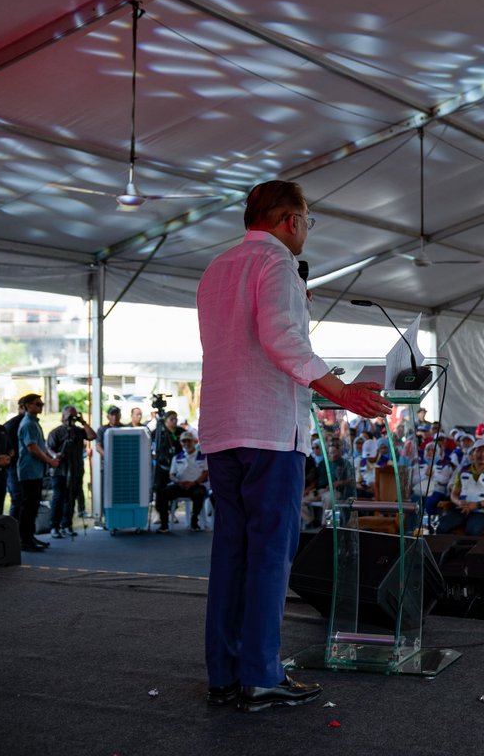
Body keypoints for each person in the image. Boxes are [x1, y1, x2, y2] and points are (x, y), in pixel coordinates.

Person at [197, 179, 393, 712]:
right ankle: (260, 674)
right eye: (307, 221)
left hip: (222, 426)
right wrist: (342, 391)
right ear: (289, 221)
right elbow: (282, 340)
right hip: (268, 432)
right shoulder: (277, 263)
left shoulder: (216, 269)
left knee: (230, 554)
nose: (307, 231)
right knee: (268, 557)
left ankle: (225, 673)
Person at [46, 405, 97, 538]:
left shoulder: (79, 431)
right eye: (69, 416)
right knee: (58, 498)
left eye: (73, 416)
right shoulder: (56, 432)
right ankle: (54, 526)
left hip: (76, 470)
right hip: (60, 471)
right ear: (63, 416)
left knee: (71, 498)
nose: (71, 419)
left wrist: (83, 422)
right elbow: (49, 448)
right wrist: (55, 455)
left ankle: (67, 524)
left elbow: (92, 436)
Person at [16, 394, 59, 552]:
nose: (41, 406)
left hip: (35, 471)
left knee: (33, 505)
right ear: (27, 406)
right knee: (28, 506)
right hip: (29, 471)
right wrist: (50, 461)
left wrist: (50, 458)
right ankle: (25, 540)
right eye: (37, 404)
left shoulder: (34, 423)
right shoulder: (28, 424)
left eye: (41, 403)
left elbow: (39, 447)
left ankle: (29, 537)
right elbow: (32, 448)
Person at [437, 439, 484, 535]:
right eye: (478, 450)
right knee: (439, 525)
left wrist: (477, 505)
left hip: (482, 511)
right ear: (473, 453)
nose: (482, 454)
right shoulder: (463, 470)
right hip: (462, 509)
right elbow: (454, 494)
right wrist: (458, 502)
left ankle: (466, 550)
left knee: (472, 530)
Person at [155, 431, 210, 532]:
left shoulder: (202, 456)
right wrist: (178, 482)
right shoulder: (177, 457)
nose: (186, 444)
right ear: (181, 443)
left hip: (196, 485)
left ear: (194, 442)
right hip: (180, 485)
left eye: (189, 441)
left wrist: (194, 483)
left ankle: (194, 522)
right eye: (184, 441)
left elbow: (206, 473)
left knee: (199, 493)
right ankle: (164, 524)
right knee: (161, 493)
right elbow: (172, 475)